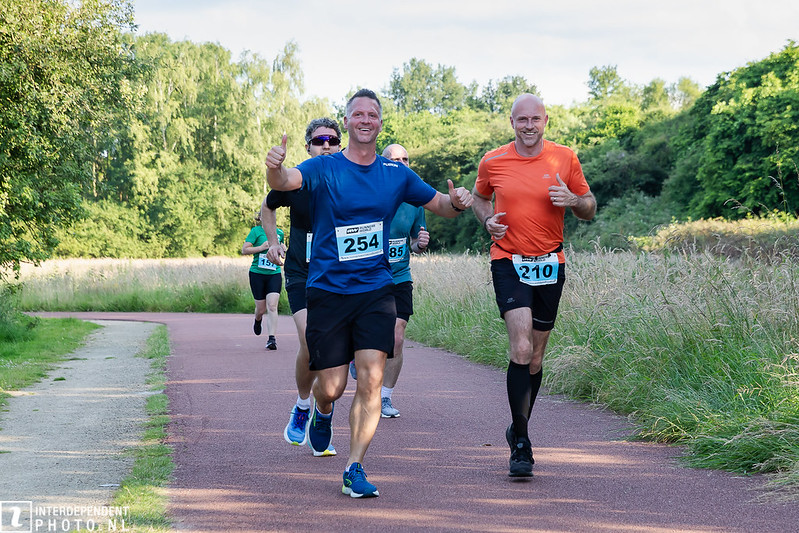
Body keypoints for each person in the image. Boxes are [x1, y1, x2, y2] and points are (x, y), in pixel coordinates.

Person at [265, 88, 472, 498]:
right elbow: (284, 182)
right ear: (346, 122)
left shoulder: (396, 174)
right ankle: (321, 410)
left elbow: (441, 205)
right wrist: (274, 167)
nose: (364, 120)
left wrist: (460, 202)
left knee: (372, 379)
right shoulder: (323, 167)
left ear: (379, 122)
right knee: (332, 387)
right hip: (327, 290)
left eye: (371, 114)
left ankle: (354, 467)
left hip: (377, 289)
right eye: (357, 114)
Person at [471, 93, 596, 478]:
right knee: (521, 346)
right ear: (512, 122)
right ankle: (522, 443)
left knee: (536, 357)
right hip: (508, 259)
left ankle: (517, 426)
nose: (528, 126)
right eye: (521, 120)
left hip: (550, 262)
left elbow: (590, 207)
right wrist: (487, 220)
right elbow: (479, 197)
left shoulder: (565, 158)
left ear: (545, 121)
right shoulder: (493, 160)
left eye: (535, 119)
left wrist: (573, 200)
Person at [261, 117, 342, 457]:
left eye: (332, 140)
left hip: (339, 278)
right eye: (319, 140)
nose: (326, 145)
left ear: (340, 145)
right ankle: (303, 406)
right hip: (301, 273)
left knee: (332, 354)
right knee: (311, 341)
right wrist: (272, 242)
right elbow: (267, 207)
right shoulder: (297, 180)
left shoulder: (350, 178)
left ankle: (323, 412)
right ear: (308, 147)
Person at [349, 144, 429, 420]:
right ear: (382, 163)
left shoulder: (416, 201)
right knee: (366, 336)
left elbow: (415, 244)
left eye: (406, 159)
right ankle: (355, 356)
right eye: (395, 159)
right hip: (367, 276)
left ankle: (384, 397)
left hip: (399, 276)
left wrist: (420, 244)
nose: (402, 163)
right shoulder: (368, 193)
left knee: (396, 336)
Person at [241, 210, 285, 350]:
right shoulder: (256, 231)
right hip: (257, 274)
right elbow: (244, 250)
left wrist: (283, 249)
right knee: (261, 309)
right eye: (265, 216)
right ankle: (257, 319)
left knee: (272, 305)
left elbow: (282, 252)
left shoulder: (280, 233)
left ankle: (272, 339)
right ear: (260, 218)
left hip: (274, 273)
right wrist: (261, 248)